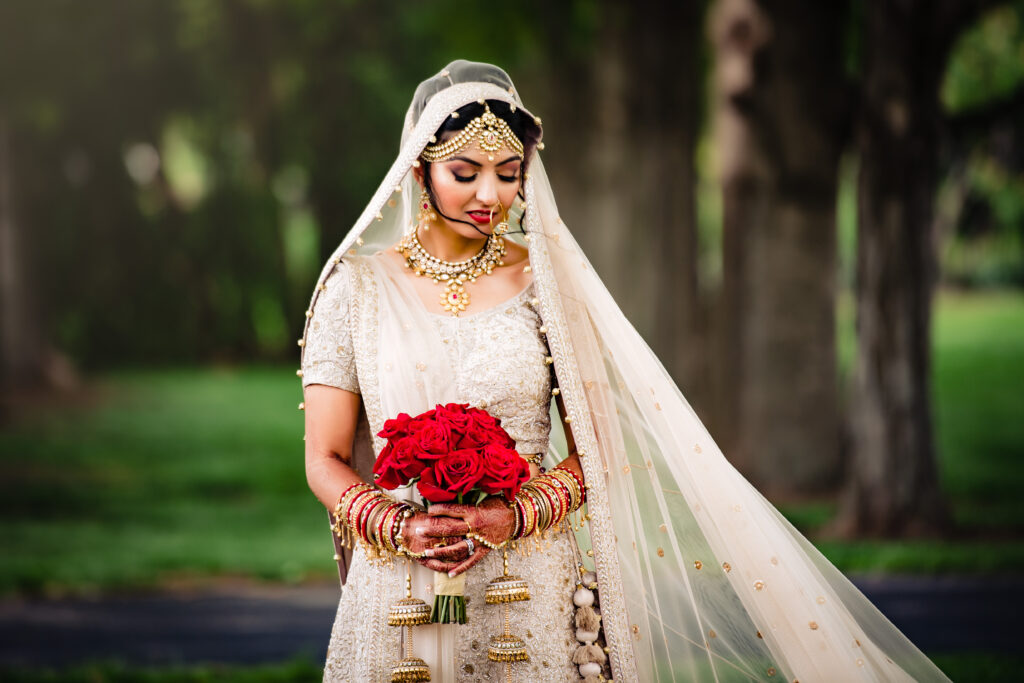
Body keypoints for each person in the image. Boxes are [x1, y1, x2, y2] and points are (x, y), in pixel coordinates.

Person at [300, 61, 949, 682]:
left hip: (524, 583)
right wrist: (401, 524)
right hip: (400, 586)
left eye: (508, 172)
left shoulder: (544, 284)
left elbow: (598, 448)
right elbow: (325, 455)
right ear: (419, 168)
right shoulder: (354, 289)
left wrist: (515, 515)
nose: (490, 195)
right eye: (465, 172)